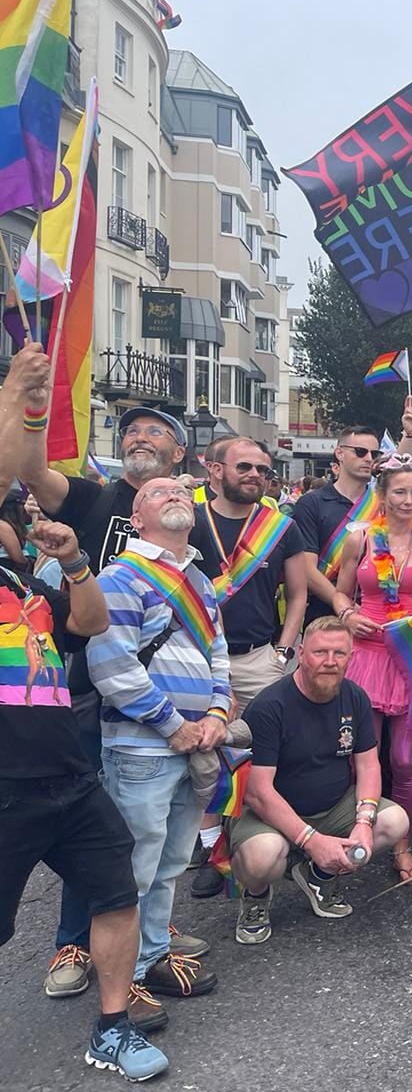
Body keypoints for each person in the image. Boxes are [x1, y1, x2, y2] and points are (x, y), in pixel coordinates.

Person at [1, 345, 220, 997]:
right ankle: (73, 945)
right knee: (87, 826)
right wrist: (33, 404)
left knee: (118, 830)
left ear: (180, 454)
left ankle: (144, 937)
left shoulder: (190, 529)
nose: (138, 435)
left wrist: (211, 705)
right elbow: (32, 470)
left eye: (155, 430)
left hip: (140, 699)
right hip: (83, 693)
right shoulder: (92, 498)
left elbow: (205, 631)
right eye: (131, 428)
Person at [0, 517, 170, 1077]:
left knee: (115, 895)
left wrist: (74, 561)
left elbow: (90, 621)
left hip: (70, 776)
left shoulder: (22, 583)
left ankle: (112, 1027)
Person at [88, 478, 229, 1019]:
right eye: (157, 492)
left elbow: (217, 651)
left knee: (170, 863)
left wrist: (217, 711)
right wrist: (172, 724)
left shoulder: (198, 578)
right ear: (137, 516)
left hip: (196, 740)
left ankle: (151, 957)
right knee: (136, 867)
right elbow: (112, 667)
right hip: (143, 748)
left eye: (179, 490)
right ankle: (126, 983)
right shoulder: (119, 577)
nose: (173, 494)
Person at [231, 618, 410, 943]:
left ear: (350, 657)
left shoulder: (355, 697)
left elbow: (369, 766)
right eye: (320, 652)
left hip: (332, 805)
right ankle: (256, 896)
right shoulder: (270, 706)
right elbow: (258, 793)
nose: (330, 661)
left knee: (394, 821)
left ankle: (319, 875)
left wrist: (364, 823)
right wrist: (312, 840)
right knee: (261, 856)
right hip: (272, 813)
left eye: (339, 653)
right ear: (301, 654)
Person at [188, 437, 311, 898]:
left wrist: (282, 652)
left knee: (264, 753)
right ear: (213, 468)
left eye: (263, 469)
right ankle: (212, 847)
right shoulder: (191, 518)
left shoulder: (280, 527)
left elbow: (297, 593)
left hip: (261, 656)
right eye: (244, 466)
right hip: (202, 659)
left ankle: (256, 841)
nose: (255, 475)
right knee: (206, 756)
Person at [329, 453, 412, 884]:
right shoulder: (359, 538)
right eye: (399, 491)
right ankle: (347, 837)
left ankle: (402, 846)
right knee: (360, 755)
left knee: (404, 759)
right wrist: (347, 616)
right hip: (366, 655)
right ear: (381, 495)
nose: (408, 499)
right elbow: (340, 594)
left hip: (410, 657)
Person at [291, 426, 382, 625]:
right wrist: (346, 609)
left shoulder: (383, 504)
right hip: (326, 614)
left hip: (376, 612)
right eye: (360, 452)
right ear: (339, 453)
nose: (368, 458)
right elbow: (307, 569)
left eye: (374, 454)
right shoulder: (311, 503)